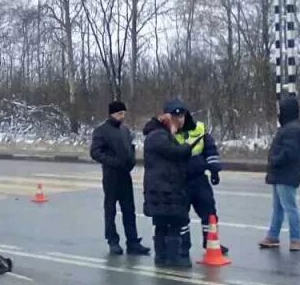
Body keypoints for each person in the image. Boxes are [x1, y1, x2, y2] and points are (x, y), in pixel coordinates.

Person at [142, 100, 199, 268]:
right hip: (165, 189)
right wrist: (188, 147)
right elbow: (174, 152)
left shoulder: (159, 135)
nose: (179, 121)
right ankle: (171, 257)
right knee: (173, 222)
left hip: (162, 187)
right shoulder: (159, 136)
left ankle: (163, 257)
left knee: (162, 223)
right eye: (176, 118)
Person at [90, 100, 149, 256]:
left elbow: (130, 147)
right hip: (111, 175)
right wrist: (113, 162)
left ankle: (133, 242)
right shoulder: (101, 131)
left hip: (125, 175)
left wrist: (132, 160)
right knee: (110, 210)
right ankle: (113, 241)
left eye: (123, 114)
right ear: (112, 114)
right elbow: (95, 152)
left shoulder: (124, 130)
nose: (122, 116)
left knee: (129, 210)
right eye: (119, 114)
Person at [175, 106, 227, 256]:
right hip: (180, 181)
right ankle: (183, 246)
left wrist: (214, 170)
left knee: (209, 212)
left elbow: (210, 150)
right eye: (176, 117)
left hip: (199, 179)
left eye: (181, 116)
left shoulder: (199, 129)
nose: (179, 120)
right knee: (181, 215)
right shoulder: (169, 133)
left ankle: (211, 242)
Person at [260, 96, 300, 251]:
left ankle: (295, 239)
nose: (279, 114)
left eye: (281, 110)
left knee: (289, 207)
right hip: (280, 173)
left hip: (285, 174)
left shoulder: (292, 129)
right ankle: (273, 236)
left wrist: (275, 160)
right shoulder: (290, 127)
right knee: (278, 207)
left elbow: (290, 152)